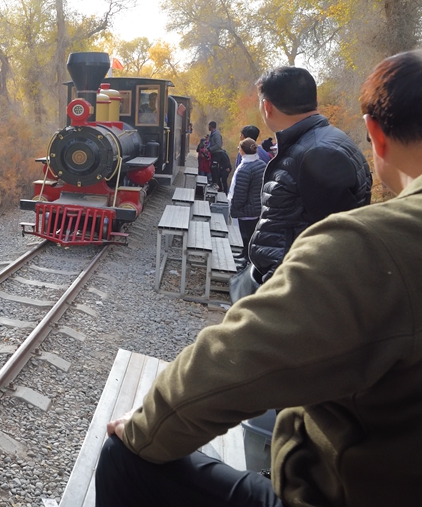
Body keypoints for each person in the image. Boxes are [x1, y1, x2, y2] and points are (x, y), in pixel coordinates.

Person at [95, 51, 422, 507]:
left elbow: (235, 361)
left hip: (346, 488)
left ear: (376, 134)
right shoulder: (330, 146)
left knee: (123, 454)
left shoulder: (371, 241)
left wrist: (145, 426)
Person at [247, 67, 371, 284]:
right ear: (314, 99)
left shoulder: (317, 153)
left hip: (295, 295)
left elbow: (332, 247)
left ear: (267, 107)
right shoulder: (325, 140)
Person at [229, 138, 266, 263]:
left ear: (242, 151)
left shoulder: (245, 168)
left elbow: (240, 192)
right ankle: (244, 254)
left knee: (246, 235)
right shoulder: (261, 164)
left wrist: (235, 207)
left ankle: (246, 259)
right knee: (251, 235)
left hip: (246, 208)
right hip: (257, 206)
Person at [207, 121, 231, 192]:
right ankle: (215, 183)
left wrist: (210, 149)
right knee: (212, 168)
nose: (208, 127)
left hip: (217, 153)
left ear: (211, 126)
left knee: (213, 167)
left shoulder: (216, 134)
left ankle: (217, 184)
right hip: (213, 153)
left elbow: (218, 145)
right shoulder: (212, 134)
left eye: (209, 126)